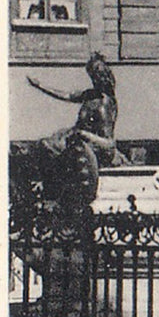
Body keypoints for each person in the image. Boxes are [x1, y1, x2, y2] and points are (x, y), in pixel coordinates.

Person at [24, 53, 121, 209]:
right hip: (74, 139)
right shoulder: (90, 95)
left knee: (49, 147)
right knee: (45, 146)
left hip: (89, 147)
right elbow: (66, 95)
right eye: (93, 75)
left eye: (97, 74)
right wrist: (39, 85)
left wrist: (84, 135)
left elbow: (109, 143)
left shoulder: (104, 105)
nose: (95, 79)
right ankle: (50, 192)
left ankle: (55, 194)